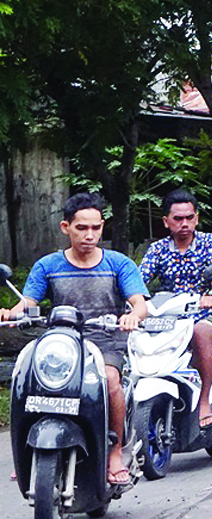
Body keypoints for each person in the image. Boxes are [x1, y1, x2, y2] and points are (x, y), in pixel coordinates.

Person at [0, 192, 149, 484]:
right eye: (81, 228)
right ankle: (26, 452)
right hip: (59, 342)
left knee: (110, 381)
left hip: (105, 340)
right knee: (25, 378)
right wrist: (10, 313)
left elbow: (139, 303)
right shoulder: (48, 265)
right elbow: (28, 303)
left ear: (102, 227)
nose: (89, 235)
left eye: (96, 228)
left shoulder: (118, 263)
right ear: (65, 227)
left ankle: (115, 451)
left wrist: (133, 316)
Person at [139, 189, 212, 430]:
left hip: (210, 316)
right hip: (168, 319)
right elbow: (139, 281)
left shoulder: (210, 242)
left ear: (196, 218)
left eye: (189, 217)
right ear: (166, 221)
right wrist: (131, 303)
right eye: (178, 218)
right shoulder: (158, 249)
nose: (184, 223)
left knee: (199, 332)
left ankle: (204, 400)